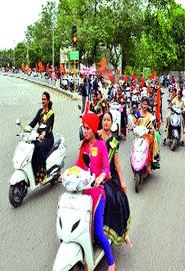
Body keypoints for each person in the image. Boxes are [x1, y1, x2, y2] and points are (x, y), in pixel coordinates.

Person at [75, 113, 116, 271]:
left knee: (98, 231)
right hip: (84, 193)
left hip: (98, 193)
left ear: (93, 128)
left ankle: (111, 261)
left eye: (87, 128)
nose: (85, 131)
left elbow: (106, 167)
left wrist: (101, 176)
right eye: (84, 128)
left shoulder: (101, 145)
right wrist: (67, 173)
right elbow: (79, 165)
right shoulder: (84, 146)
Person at [98, 112, 133, 248]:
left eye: (108, 120)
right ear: (102, 122)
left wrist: (122, 181)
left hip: (111, 175)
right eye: (104, 120)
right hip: (97, 174)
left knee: (121, 198)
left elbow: (117, 163)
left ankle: (123, 234)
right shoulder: (96, 136)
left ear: (112, 124)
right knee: (109, 197)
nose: (106, 122)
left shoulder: (113, 142)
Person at [29, 92, 54, 184]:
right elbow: (34, 122)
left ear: (48, 101)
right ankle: (34, 172)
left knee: (39, 147)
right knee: (32, 146)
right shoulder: (40, 111)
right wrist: (25, 129)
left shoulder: (51, 113)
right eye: (42, 99)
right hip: (38, 136)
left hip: (47, 138)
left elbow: (48, 126)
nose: (43, 101)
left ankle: (43, 174)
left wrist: (43, 134)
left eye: (44, 99)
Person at [129, 97, 160, 170]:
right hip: (139, 135)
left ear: (148, 105)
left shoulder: (150, 115)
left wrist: (151, 130)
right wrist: (131, 127)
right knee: (135, 146)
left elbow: (152, 126)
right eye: (143, 104)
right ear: (141, 104)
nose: (145, 106)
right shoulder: (138, 113)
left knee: (149, 145)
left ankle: (150, 161)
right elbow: (134, 122)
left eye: (146, 104)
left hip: (147, 135)